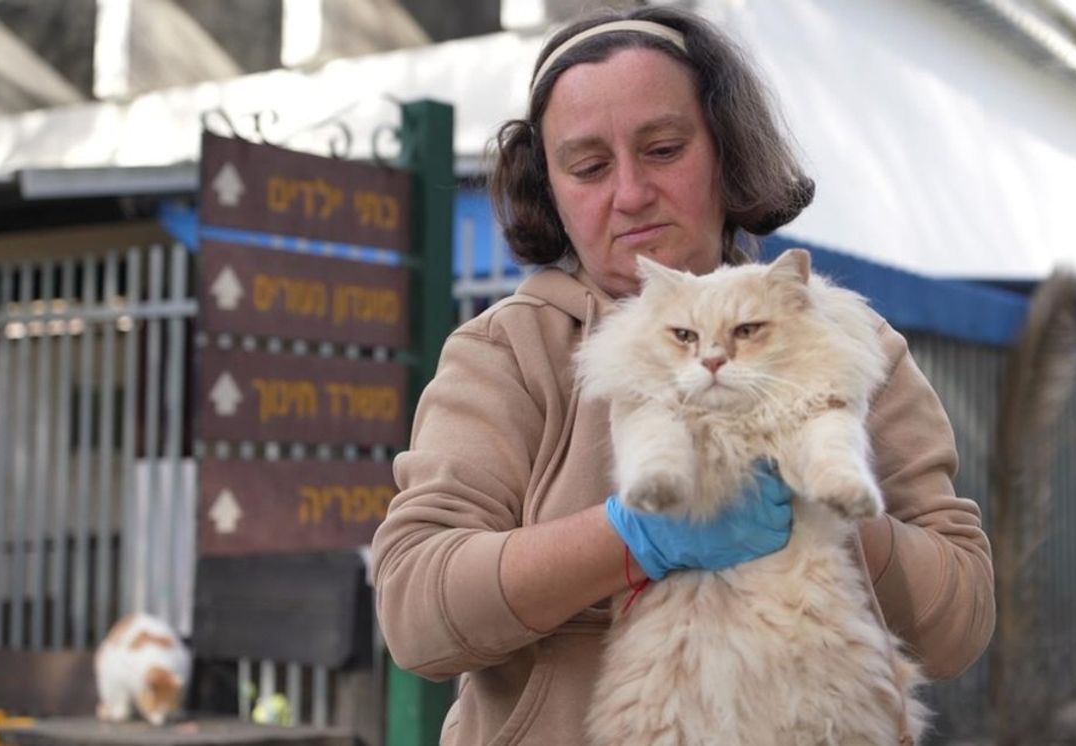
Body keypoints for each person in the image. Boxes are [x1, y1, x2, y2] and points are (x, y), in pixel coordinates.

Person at [371, 6, 994, 744]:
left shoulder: (847, 338)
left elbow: (960, 625)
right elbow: (416, 614)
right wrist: (634, 538)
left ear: (726, 152)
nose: (630, 192)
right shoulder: (506, 352)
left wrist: (832, 521)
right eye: (589, 167)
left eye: (663, 149)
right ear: (552, 189)